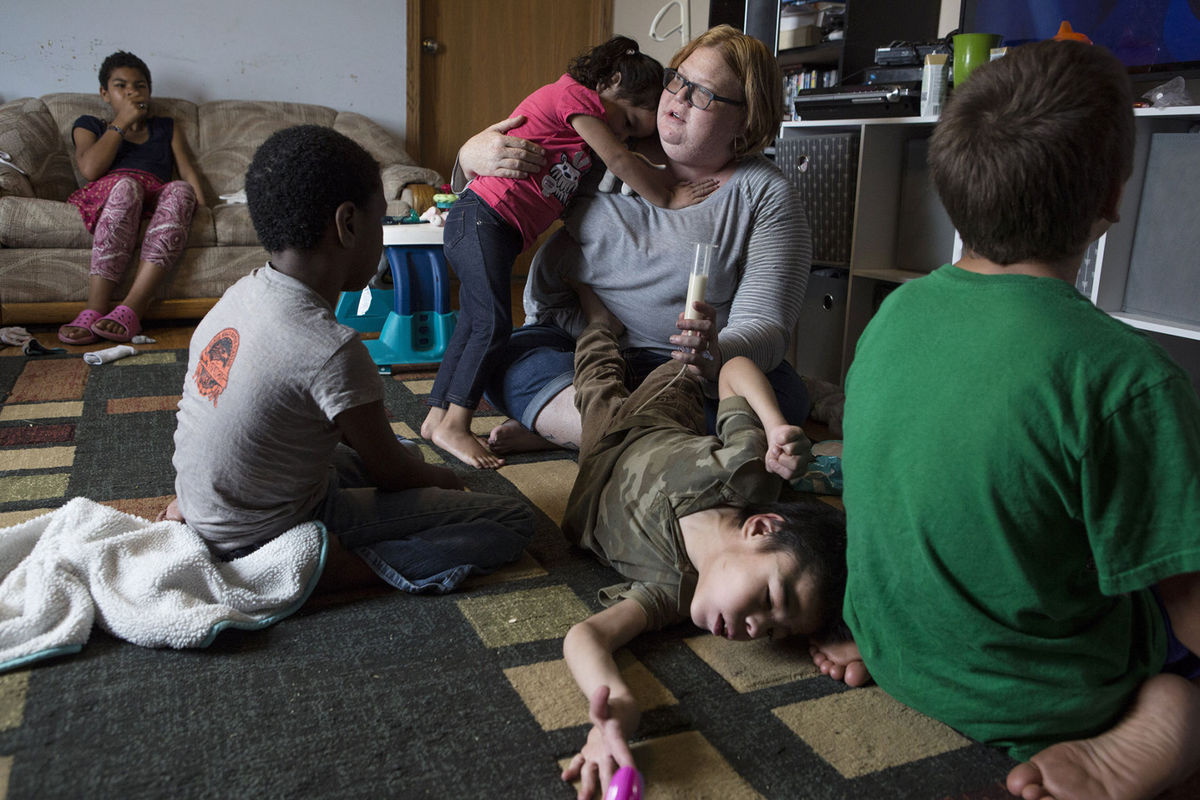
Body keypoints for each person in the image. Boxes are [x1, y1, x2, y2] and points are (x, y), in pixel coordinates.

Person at [808, 41, 1200, 800]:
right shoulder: (1128, 379)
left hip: (898, 647)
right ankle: (1128, 743)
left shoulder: (897, 312)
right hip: (1049, 699)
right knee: (1184, 680)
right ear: (1112, 199)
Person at [168, 124, 534, 593]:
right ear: (347, 224)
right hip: (261, 533)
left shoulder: (239, 295)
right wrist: (445, 481)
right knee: (511, 520)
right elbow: (394, 475)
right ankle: (339, 569)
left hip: (207, 504)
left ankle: (248, 534)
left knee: (388, 451)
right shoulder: (331, 347)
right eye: (379, 221)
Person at [452, 25, 813, 456]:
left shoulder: (766, 195)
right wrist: (467, 157)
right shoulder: (605, 140)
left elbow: (767, 327)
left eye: (703, 94)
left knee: (782, 398)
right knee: (507, 363)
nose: (678, 97)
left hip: (686, 369)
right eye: (677, 79)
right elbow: (494, 197)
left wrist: (715, 350)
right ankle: (625, 435)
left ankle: (576, 428)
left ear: (747, 118)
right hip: (574, 344)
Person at [558, 283, 847, 799]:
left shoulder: (671, 594)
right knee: (683, 372)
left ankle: (598, 325)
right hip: (660, 421)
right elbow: (733, 372)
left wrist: (615, 708)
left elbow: (588, 637)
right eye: (767, 600)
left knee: (596, 383)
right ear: (761, 529)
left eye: (774, 633)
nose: (756, 628)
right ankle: (615, 326)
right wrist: (778, 424)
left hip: (593, 473)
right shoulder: (750, 476)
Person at [422, 35, 716, 469]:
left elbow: (632, 157)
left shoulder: (584, 138)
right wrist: (668, 197)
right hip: (482, 217)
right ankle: (456, 424)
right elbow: (619, 160)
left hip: (496, 228)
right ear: (613, 82)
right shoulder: (575, 98)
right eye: (629, 124)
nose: (624, 136)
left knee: (474, 324)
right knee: (491, 325)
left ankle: (435, 419)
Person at [58, 51, 205, 345]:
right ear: (104, 93)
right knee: (127, 187)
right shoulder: (90, 124)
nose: (132, 92)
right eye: (121, 86)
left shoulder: (165, 127)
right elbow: (89, 169)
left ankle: (132, 308)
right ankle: (95, 308)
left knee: (181, 190)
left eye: (139, 86)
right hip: (112, 192)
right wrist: (121, 123)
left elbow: (187, 172)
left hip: (155, 196)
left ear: (149, 92)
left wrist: (202, 210)